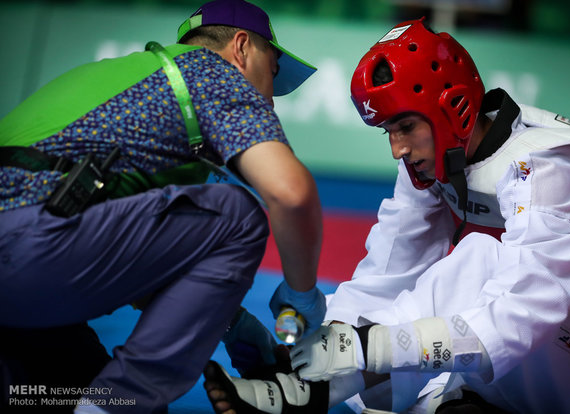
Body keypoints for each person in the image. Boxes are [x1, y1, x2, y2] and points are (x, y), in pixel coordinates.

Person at [202, 18, 570, 414]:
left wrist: (371, 348)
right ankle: (304, 380)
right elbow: (384, 278)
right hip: (543, 363)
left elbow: (527, 309)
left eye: (405, 126)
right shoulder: (435, 162)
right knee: (407, 386)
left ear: (451, 108)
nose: (397, 148)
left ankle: (308, 395)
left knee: (479, 259)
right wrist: (311, 348)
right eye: (388, 131)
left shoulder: (547, 165)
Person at [0, 0, 327, 412]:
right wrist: (301, 296)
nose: (270, 101)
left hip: (23, 288)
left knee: (78, 391)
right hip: (31, 249)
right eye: (272, 74)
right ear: (241, 49)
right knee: (237, 217)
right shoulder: (210, 72)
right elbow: (290, 194)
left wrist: (232, 324)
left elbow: (130, 260)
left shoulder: (124, 83)